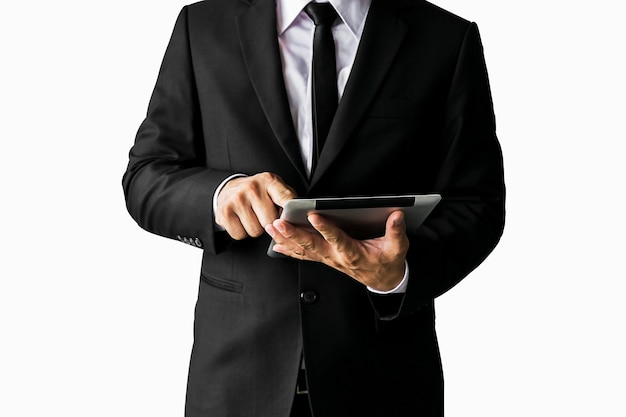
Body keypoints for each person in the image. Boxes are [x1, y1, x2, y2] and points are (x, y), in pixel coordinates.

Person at [122, 0, 505, 415]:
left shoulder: (445, 38)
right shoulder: (202, 25)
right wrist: (219, 195)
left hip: (384, 383)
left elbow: (476, 202)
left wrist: (399, 274)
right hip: (235, 382)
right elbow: (147, 175)